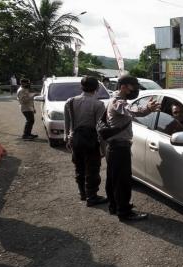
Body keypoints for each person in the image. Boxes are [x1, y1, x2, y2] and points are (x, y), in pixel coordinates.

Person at [105, 75, 160, 221]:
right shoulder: (118, 101)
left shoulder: (116, 99)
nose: (135, 90)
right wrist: (147, 108)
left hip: (115, 148)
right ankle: (124, 212)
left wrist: (146, 109)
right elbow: (131, 110)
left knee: (113, 180)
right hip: (119, 148)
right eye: (133, 87)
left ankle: (114, 207)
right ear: (123, 87)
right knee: (122, 181)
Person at [64, 76, 108, 206]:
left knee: (79, 167)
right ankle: (92, 196)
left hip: (76, 139)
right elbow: (100, 128)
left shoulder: (70, 101)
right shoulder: (98, 104)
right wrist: (103, 149)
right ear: (97, 88)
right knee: (92, 169)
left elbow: (67, 122)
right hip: (91, 140)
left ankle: (83, 193)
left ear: (81, 87)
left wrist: (67, 138)